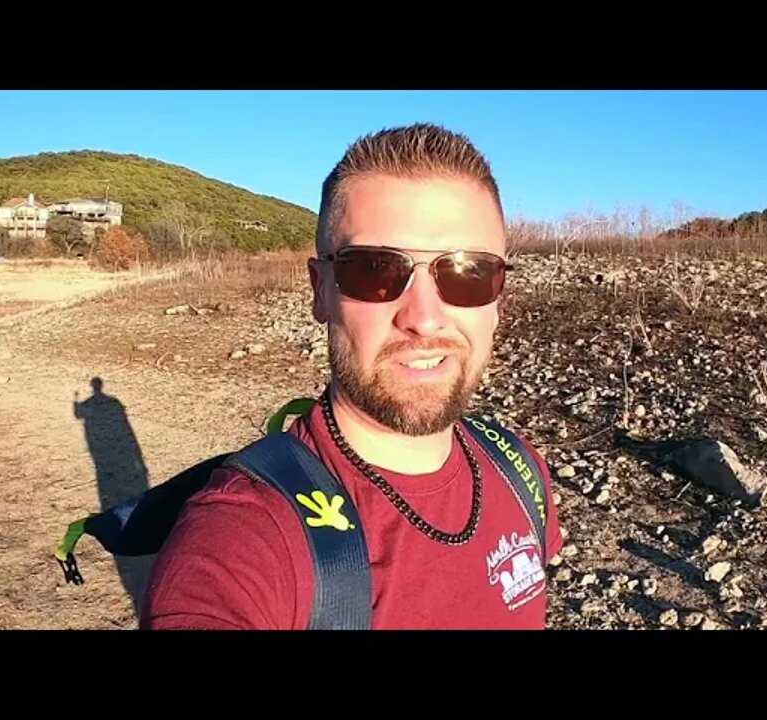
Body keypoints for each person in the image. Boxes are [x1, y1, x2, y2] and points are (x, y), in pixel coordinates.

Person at [140, 122, 563, 630]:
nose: (424, 317)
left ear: (499, 298)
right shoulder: (245, 533)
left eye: (467, 272)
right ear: (320, 291)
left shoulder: (519, 472)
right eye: (376, 271)